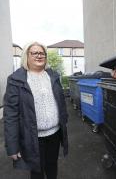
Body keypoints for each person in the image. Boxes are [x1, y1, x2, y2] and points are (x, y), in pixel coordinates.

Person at [3, 41, 68, 179]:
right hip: (32, 137)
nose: (39, 56)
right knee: (37, 171)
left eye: (42, 53)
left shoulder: (53, 76)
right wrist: (12, 146)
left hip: (54, 134)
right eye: (34, 53)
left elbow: (61, 102)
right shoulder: (16, 80)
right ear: (27, 56)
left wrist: (64, 120)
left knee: (52, 166)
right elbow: (10, 115)